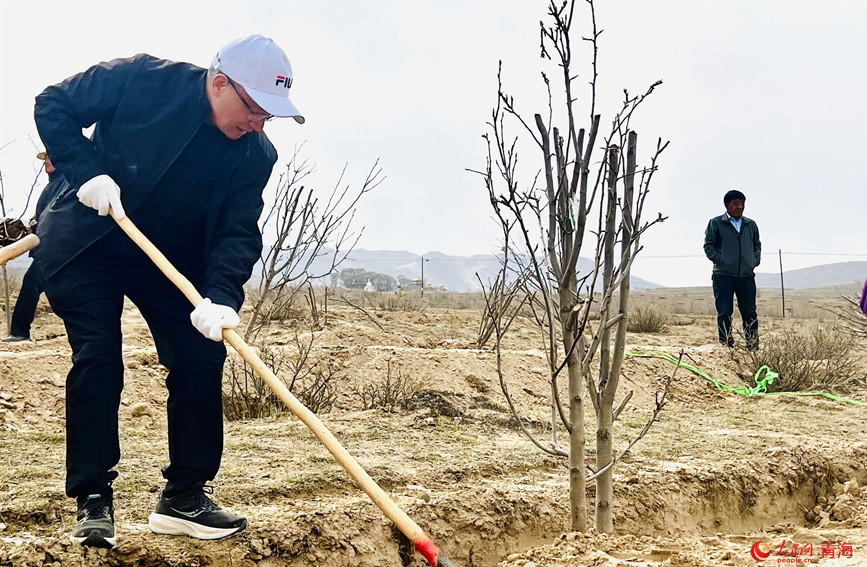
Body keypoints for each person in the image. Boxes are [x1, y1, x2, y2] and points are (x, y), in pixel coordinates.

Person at [33, 34, 304, 549]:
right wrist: (87, 172)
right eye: (255, 109)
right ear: (220, 84)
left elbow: (238, 229)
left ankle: (184, 496)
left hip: (167, 260)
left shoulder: (255, 154)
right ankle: (93, 499)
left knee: (201, 354)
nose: (259, 123)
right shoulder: (142, 79)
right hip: (88, 237)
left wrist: (222, 296)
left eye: (270, 116)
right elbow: (54, 102)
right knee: (99, 356)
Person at [3, 152, 63, 342]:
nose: (45, 160)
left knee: (32, 287)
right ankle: (19, 332)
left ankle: (19, 332)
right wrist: (26, 230)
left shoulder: (67, 184)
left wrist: (36, 228)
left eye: (50, 156)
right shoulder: (51, 186)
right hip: (47, 250)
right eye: (44, 157)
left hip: (58, 251)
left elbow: (59, 220)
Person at [703, 189, 761, 350]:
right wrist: (721, 260)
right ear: (727, 205)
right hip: (723, 275)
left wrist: (754, 261)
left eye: (742, 203)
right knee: (725, 312)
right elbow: (709, 245)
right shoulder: (716, 223)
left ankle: (753, 346)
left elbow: (757, 245)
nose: (740, 207)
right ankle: (727, 345)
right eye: (736, 203)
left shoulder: (751, 224)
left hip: (746, 275)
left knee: (750, 312)